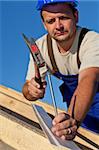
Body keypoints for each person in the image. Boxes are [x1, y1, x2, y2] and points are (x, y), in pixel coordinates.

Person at [22, 0, 99, 140]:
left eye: (63, 18)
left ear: (76, 16)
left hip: (88, 98)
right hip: (78, 107)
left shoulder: (92, 41)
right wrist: (32, 90)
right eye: (51, 21)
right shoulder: (40, 48)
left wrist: (72, 119)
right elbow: (27, 91)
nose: (58, 26)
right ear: (44, 25)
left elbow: (89, 79)